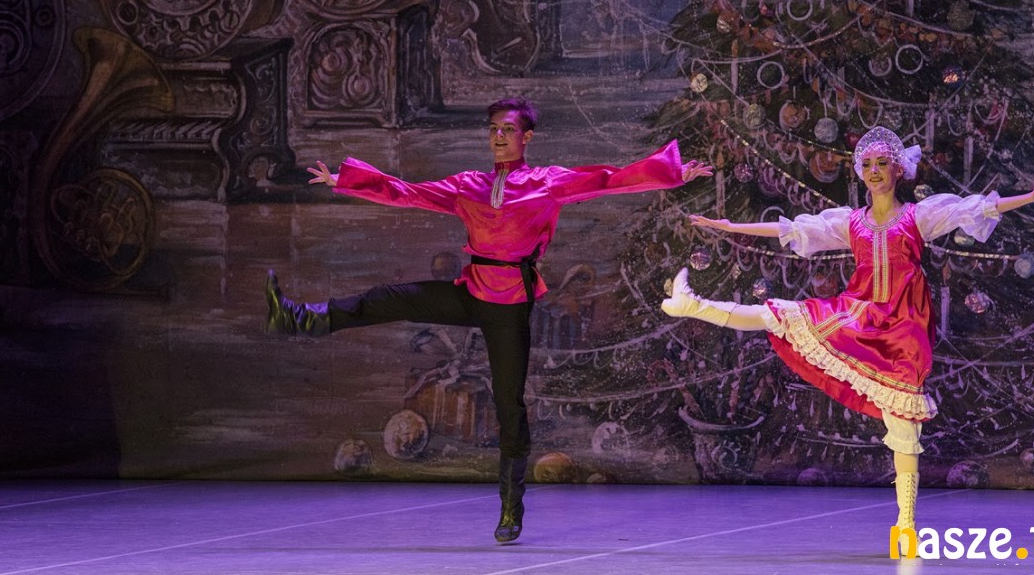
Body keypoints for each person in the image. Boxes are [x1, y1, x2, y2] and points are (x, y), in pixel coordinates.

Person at [266, 97, 712, 543]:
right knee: (388, 298)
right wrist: (346, 179)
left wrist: (673, 173)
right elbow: (409, 192)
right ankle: (300, 318)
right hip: (472, 293)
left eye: (508, 129)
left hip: (509, 305)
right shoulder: (470, 185)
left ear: (526, 137)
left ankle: (510, 509)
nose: (499, 136)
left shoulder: (546, 183)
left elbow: (608, 180)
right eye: (493, 129)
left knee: (509, 407)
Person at [658, 125, 1034, 555]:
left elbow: (975, 208)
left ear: (898, 169)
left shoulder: (918, 217)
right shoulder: (850, 222)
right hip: (858, 314)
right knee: (779, 314)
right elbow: (794, 229)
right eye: (867, 164)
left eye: (882, 163)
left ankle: (906, 527)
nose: (874, 171)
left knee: (903, 426)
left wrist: (1031, 196)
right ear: (860, 172)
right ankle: (693, 305)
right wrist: (728, 225)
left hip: (904, 327)